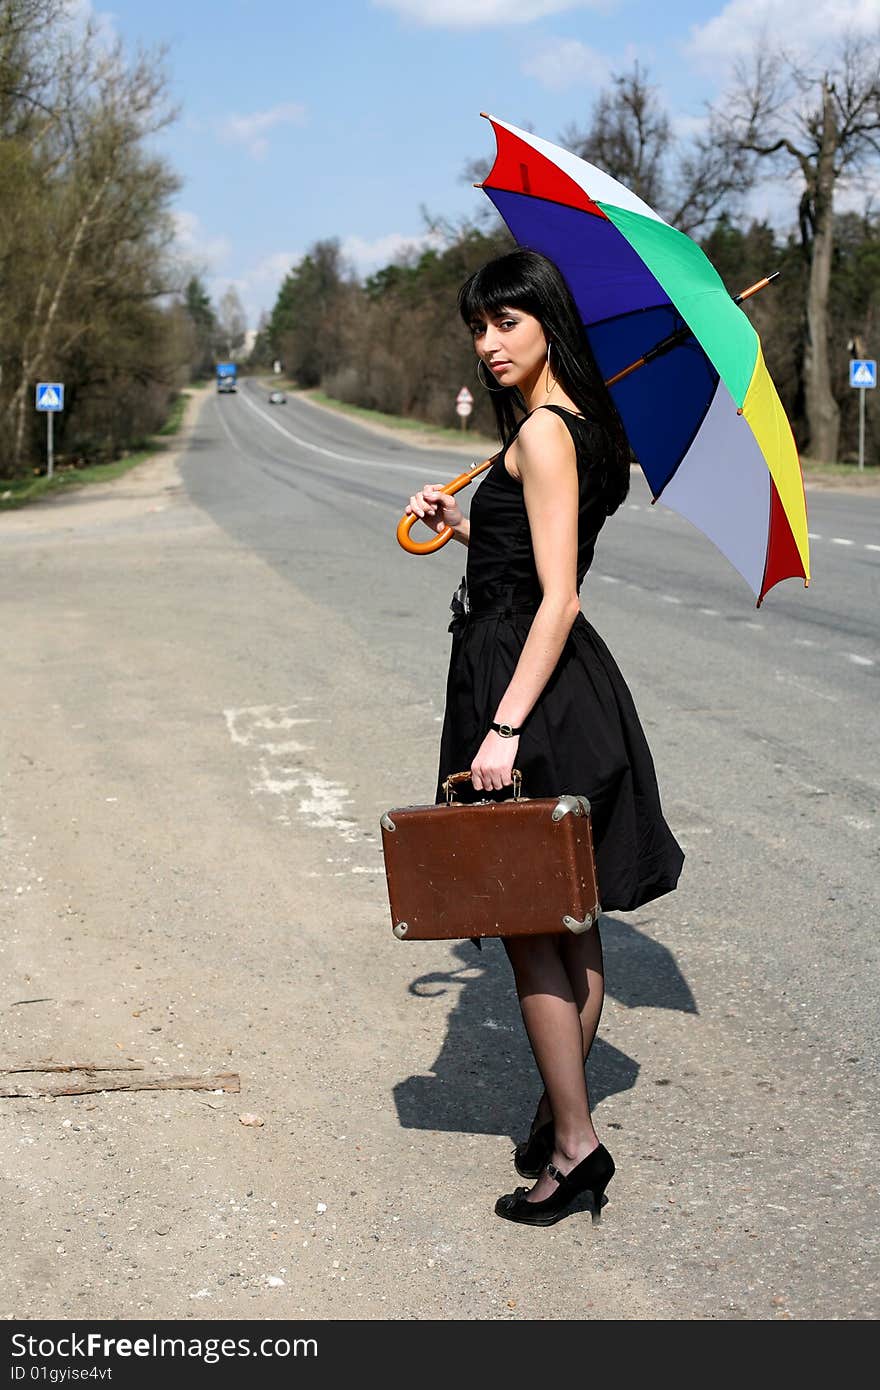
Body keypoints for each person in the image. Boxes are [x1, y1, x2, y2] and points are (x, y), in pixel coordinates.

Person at [404, 249, 685, 1228]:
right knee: (568, 913)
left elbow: (558, 597)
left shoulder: (551, 436)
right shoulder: (562, 432)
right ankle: (559, 1118)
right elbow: (528, 559)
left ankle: (574, 1146)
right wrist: (458, 527)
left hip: (534, 691)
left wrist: (503, 728)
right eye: (477, 326)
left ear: (547, 324)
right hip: (540, 673)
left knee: (532, 925)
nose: (487, 344)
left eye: (506, 323)